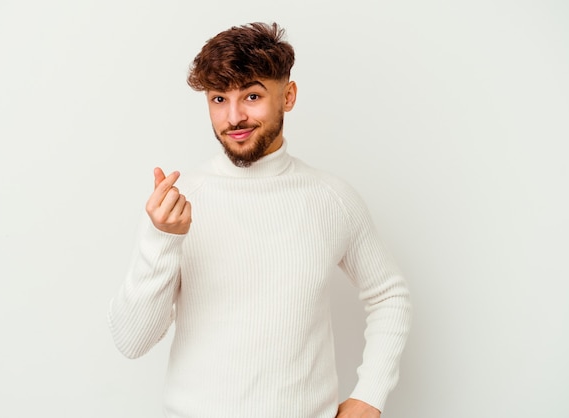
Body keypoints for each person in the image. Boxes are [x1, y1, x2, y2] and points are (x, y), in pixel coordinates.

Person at [108, 22, 412, 418]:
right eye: (219, 99)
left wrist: (369, 397)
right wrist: (162, 240)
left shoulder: (332, 199)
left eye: (252, 95)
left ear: (288, 96)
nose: (234, 117)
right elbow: (131, 341)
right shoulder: (178, 205)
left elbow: (389, 294)